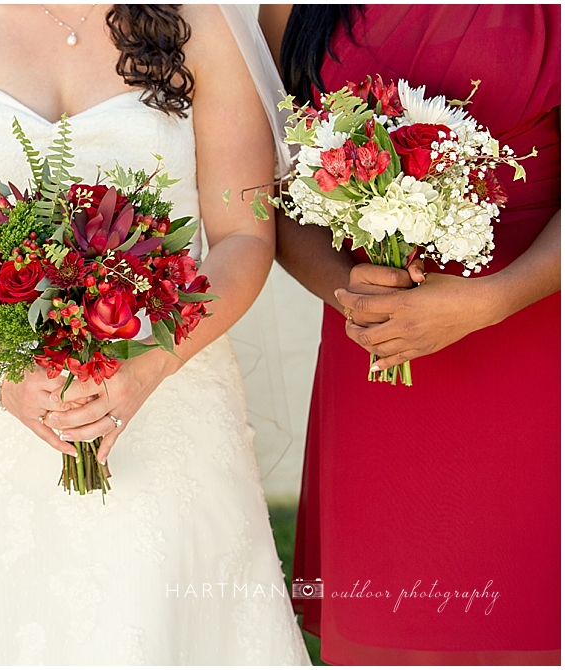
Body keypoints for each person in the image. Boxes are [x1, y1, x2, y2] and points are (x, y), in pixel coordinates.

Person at [0, 4, 309, 665]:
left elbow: (244, 238)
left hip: (170, 392)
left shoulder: (203, 23)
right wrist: (2, 371)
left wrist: (152, 363)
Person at [259, 4, 560, 664]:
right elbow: (280, 195)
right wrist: (355, 295)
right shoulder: (289, 11)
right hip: (377, 356)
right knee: (390, 629)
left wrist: (492, 301)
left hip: (533, 338)